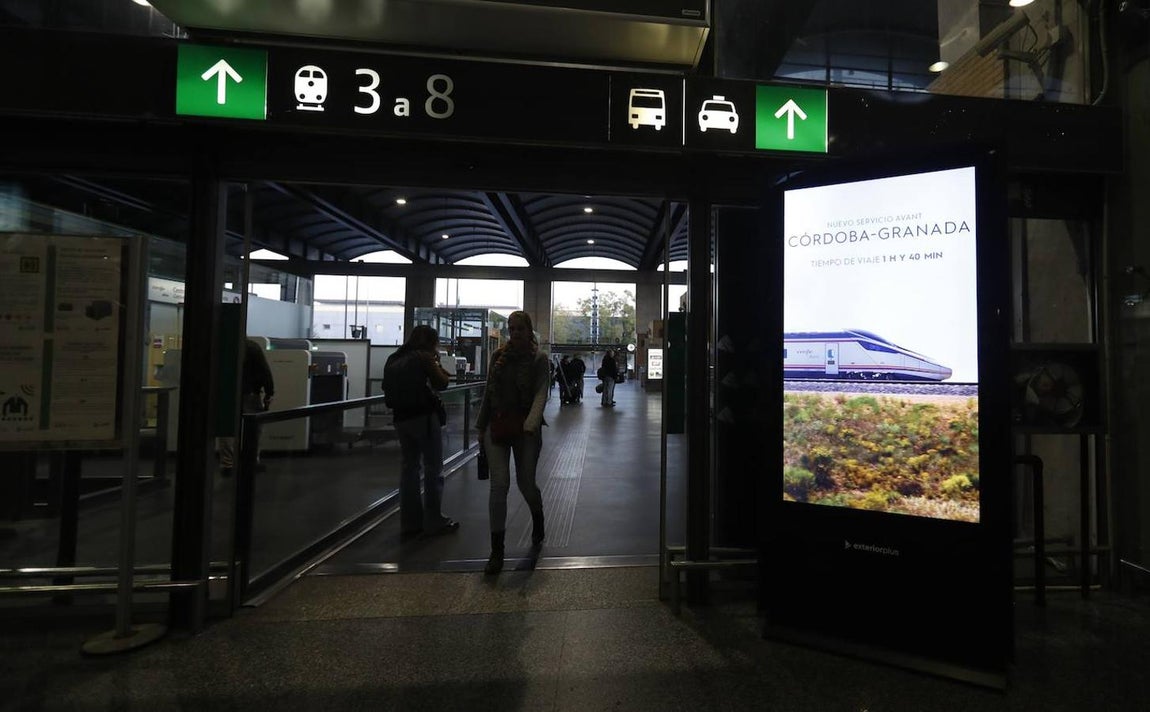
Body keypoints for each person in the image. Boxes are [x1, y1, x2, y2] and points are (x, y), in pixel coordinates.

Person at [475, 310, 550, 575]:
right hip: (497, 425)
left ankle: (538, 517)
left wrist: (531, 423)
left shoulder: (539, 359)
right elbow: (489, 392)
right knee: (499, 485)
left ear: (529, 331)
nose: (515, 333)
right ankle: (497, 551)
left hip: (526, 430)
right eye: (512, 328)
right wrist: (480, 426)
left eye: (520, 328)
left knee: (526, 483)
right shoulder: (498, 357)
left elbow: (541, 393)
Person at [384, 324, 457, 540]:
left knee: (409, 468)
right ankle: (434, 520)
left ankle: (410, 523)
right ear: (431, 342)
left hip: (401, 419)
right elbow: (442, 382)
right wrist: (438, 363)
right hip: (423, 417)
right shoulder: (424, 357)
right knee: (433, 468)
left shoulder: (394, 358)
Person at [219, 338, 275, 478]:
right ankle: (251, 461)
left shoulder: (222, 346)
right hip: (250, 393)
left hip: (226, 393)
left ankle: (228, 464)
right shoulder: (252, 347)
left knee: (227, 428)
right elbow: (264, 371)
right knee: (253, 428)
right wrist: (269, 392)